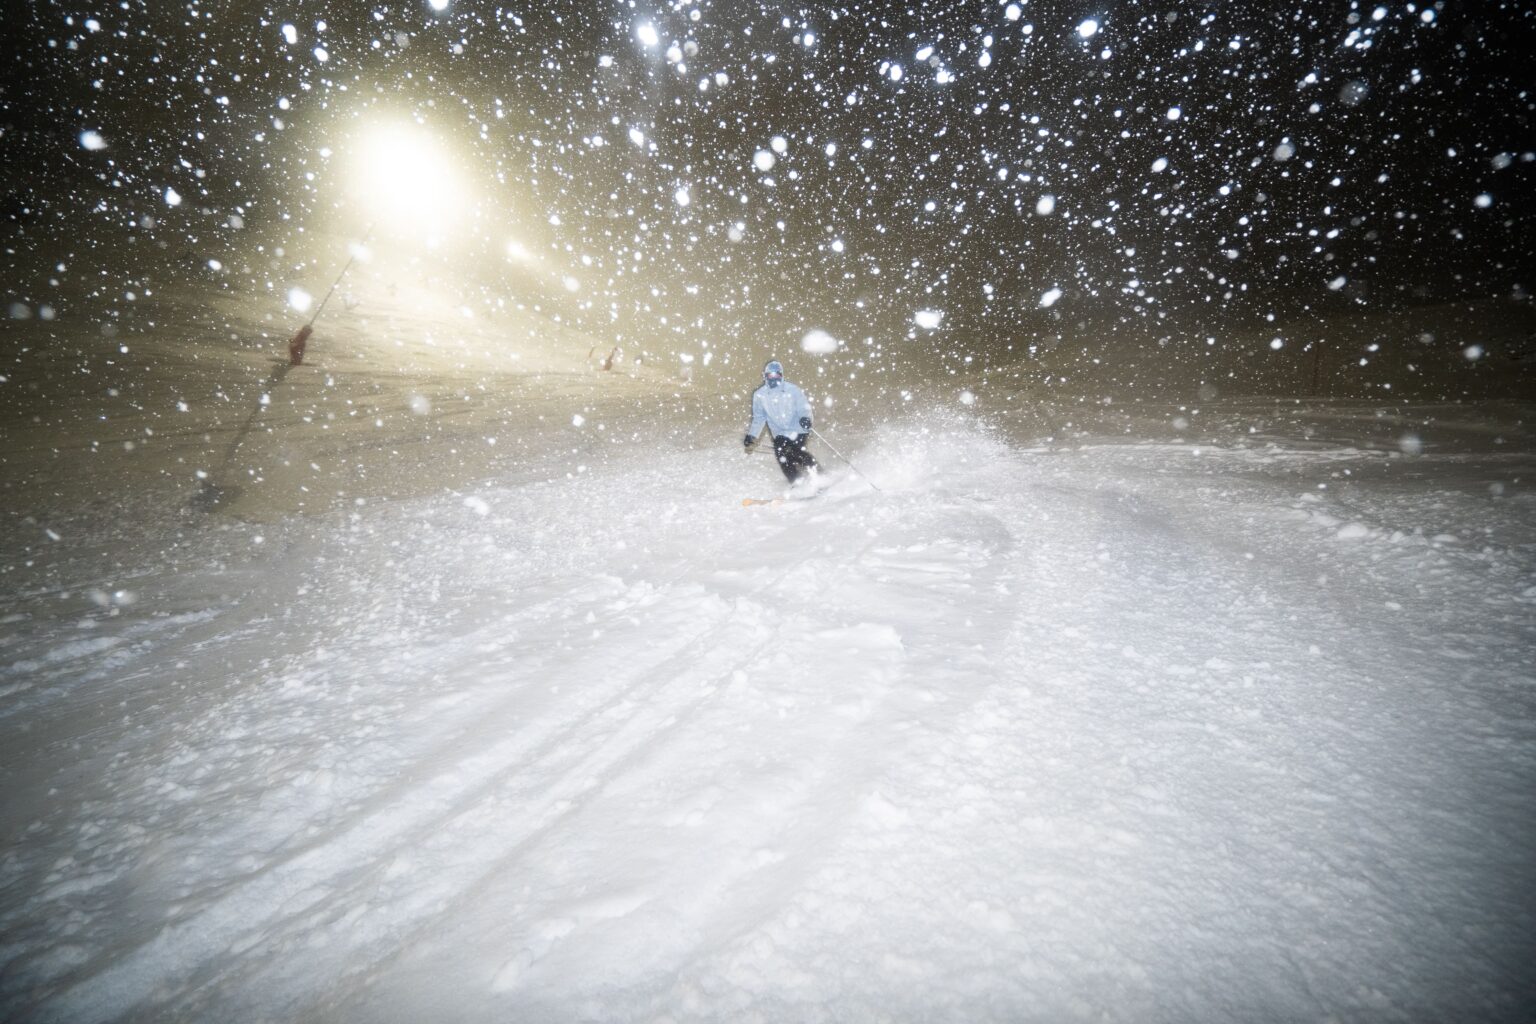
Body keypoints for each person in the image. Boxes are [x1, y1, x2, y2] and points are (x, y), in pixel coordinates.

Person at [744, 359, 819, 483]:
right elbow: (759, 417)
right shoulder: (760, 395)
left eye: (777, 375)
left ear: (781, 375)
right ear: (765, 376)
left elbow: (803, 407)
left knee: (796, 452)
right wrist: (752, 435)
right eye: (770, 375)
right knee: (781, 452)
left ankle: (819, 475)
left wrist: (805, 418)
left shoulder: (793, 390)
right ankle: (796, 481)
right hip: (779, 431)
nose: (773, 379)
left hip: (798, 428)